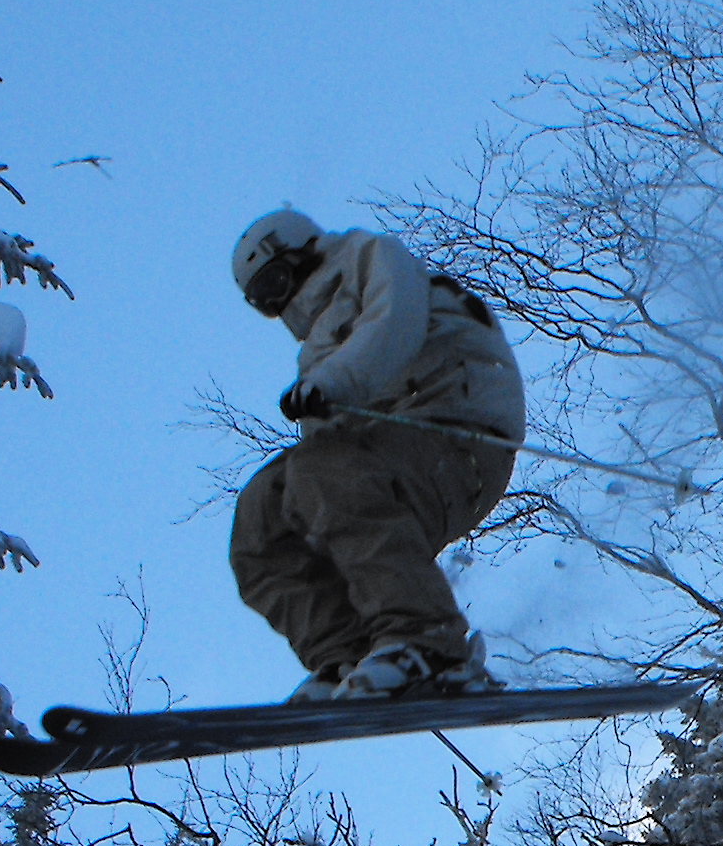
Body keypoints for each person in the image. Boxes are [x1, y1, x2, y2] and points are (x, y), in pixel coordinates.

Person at [224, 209, 525, 701]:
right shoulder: (316, 354)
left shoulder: (370, 257)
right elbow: (322, 470)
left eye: (277, 280)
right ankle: (346, 652)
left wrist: (332, 383)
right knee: (263, 513)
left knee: (323, 471)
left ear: (301, 249)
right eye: (263, 299)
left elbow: (394, 325)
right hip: (395, 461)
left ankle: (429, 641)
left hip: (460, 439)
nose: (279, 302)